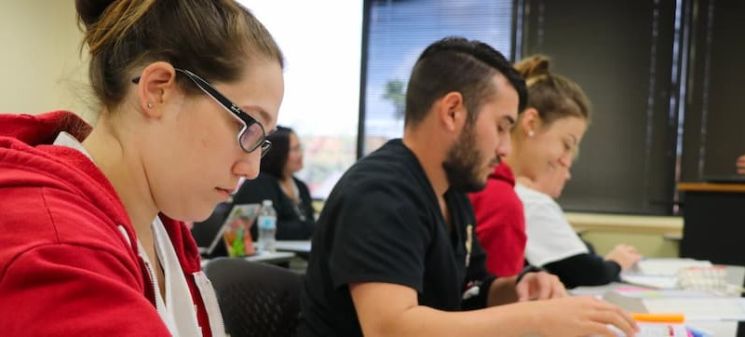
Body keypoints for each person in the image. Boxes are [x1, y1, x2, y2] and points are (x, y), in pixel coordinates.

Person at [299, 38, 637, 337]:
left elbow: (469, 291)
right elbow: (391, 328)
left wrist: (518, 287)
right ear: (452, 112)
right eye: (502, 127)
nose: (505, 148)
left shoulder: (453, 193)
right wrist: (533, 318)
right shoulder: (381, 193)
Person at [0, 1, 284, 336]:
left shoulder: (161, 225)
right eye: (247, 128)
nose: (252, 169)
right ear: (158, 89)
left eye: (261, 141)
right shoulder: (60, 249)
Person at [469, 55, 641, 288]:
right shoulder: (503, 198)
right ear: (531, 123)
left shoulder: (499, 188)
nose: (565, 161)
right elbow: (498, 308)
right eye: (567, 144)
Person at [232, 126, 315, 240]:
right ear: (279, 153)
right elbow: (258, 229)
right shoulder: (258, 184)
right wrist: (310, 228)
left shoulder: (301, 186)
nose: (301, 154)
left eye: (300, 148)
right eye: (295, 149)